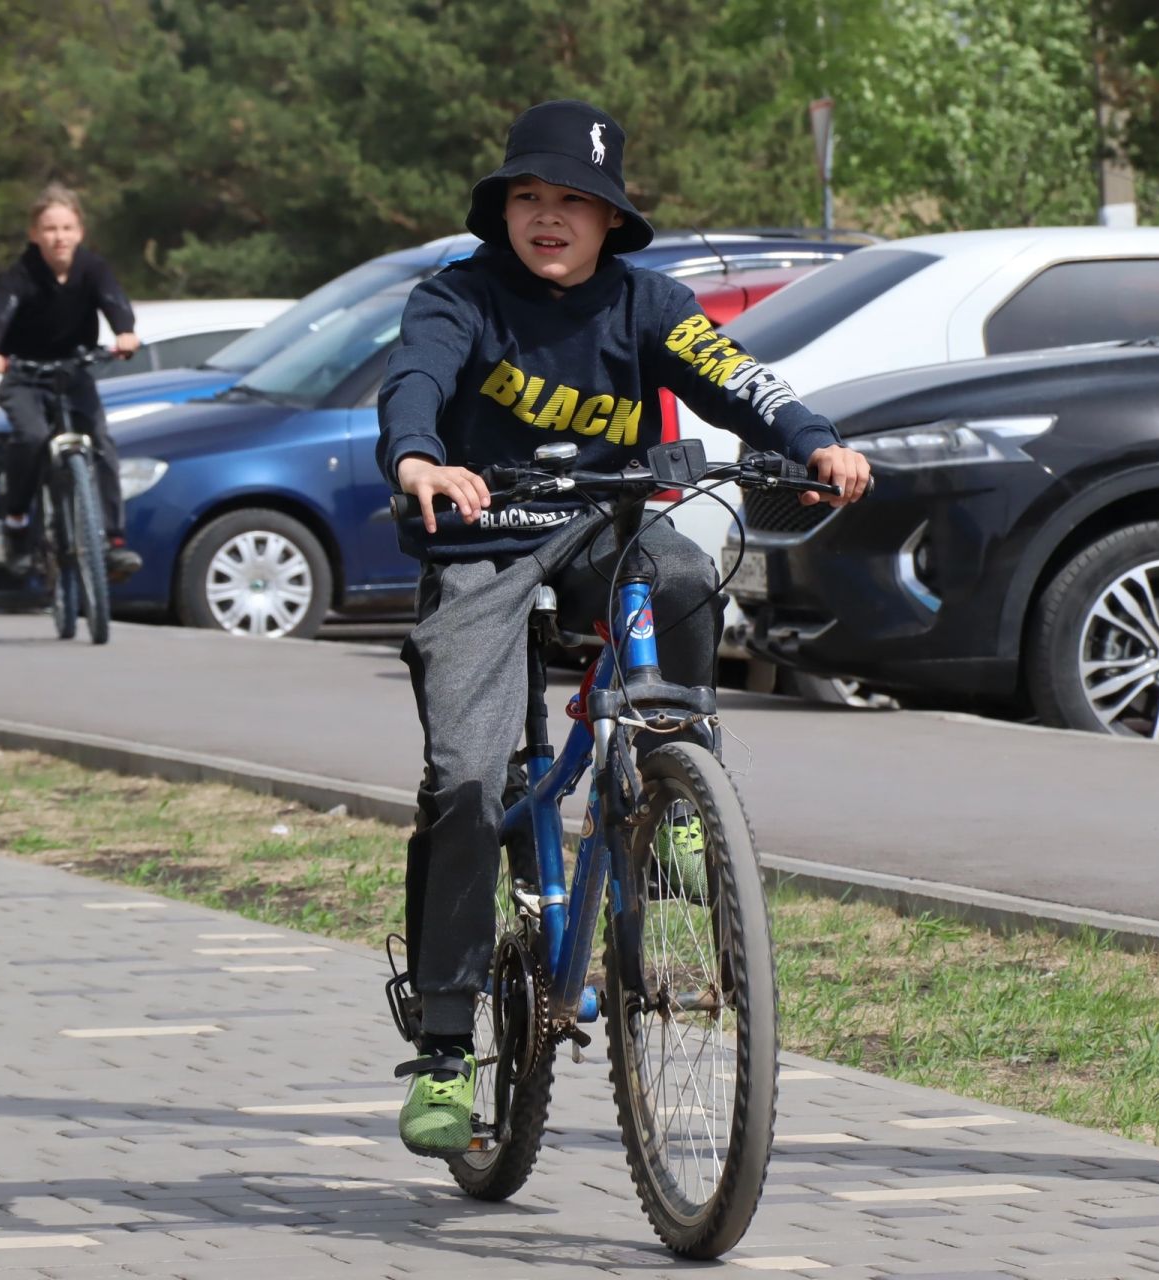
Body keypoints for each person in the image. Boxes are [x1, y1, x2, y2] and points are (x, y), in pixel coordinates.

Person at [376, 99, 872, 1155]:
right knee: (467, 779)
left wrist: (814, 440)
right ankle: (448, 1044)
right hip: (484, 541)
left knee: (687, 568)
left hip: (606, 530)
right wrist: (420, 458)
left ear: (610, 219)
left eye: (573, 201)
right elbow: (413, 383)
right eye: (528, 197)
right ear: (502, 209)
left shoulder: (648, 304)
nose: (547, 217)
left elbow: (735, 377)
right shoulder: (458, 298)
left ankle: (673, 792)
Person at [0, 183, 143, 581]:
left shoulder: (92, 269)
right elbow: (0, 314)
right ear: (35, 234)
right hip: (24, 376)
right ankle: (16, 523)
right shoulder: (21, 275)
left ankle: (112, 542)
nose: (59, 237)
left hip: (73, 373)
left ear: (80, 231)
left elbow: (114, 301)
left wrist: (125, 332)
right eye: (50, 229)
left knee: (100, 442)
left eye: (67, 227)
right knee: (32, 438)